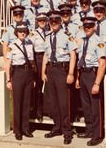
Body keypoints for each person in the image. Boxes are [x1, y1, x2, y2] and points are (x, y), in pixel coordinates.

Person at [42, 10, 77, 145]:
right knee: (54, 102)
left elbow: (73, 55)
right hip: (51, 69)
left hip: (63, 70)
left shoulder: (67, 36)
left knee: (63, 102)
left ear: (60, 21)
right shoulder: (48, 36)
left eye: (56, 21)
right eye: (51, 21)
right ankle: (56, 128)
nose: (54, 23)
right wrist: (43, 72)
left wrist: (71, 73)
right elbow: (46, 54)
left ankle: (67, 131)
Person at [76, 17, 106, 146]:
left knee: (95, 107)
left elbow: (102, 64)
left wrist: (97, 83)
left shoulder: (99, 42)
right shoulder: (83, 41)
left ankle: (97, 134)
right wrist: (78, 78)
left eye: (90, 25)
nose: (87, 28)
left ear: (94, 26)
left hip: (92, 75)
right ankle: (89, 130)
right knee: (86, 106)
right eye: (85, 26)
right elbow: (80, 60)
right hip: (83, 74)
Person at [5, 21, 36, 140]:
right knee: (17, 102)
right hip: (17, 74)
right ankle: (17, 130)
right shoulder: (11, 46)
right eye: (20, 31)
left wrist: (32, 78)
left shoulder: (29, 44)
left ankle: (25, 128)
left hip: (28, 74)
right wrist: (8, 80)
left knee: (26, 103)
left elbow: (32, 63)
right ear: (16, 33)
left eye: (24, 31)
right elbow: (8, 64)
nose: (22, 33)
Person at [29, 12, 48, 121]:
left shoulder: (49, 32)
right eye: (40, 20)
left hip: (48, 59)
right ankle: (38, 111)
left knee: (48, 87)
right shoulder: (33, 34)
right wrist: (34, 65)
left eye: (44, 20)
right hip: (38, 59)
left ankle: (48, 110)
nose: (42, 22)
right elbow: (30, 50)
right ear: (37, 22)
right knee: (38, 87)